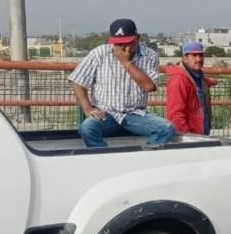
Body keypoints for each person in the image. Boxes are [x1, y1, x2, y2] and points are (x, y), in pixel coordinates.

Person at [69, 18, 176, 148]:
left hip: (135, 114)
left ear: (138, 38)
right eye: (118, 44)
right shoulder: (100, 53)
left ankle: (145, 158)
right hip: (106, 114)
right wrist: (88, 108)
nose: (123, 47)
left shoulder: (150, 55)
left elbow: (149, 86)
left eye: (128, 43)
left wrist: (126, 63)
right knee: (87, 128)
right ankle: (104, 158)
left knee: (166, 128)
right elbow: (77, 80)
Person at [165, 41, 216, 135]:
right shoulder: (179, 80)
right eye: (194, 55)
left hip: (200, 133)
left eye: (201, 55)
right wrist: (185, 137)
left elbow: (195, 85)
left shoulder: (198, 77)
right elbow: (176, 114)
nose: (199, 59)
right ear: (185, 58)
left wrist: (211, 82)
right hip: (190, 136)